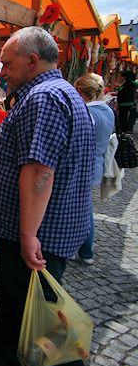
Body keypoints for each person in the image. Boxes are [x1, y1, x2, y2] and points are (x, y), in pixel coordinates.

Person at [0, 27, 95, 366]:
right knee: (14, 293)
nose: (2, 71)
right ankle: (2, 353)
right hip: (42, 227)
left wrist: (27, 234)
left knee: (44, 319)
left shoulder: (45, 98)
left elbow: (39, 171)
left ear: (31, 61)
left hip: (41, 232)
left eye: (6, 63)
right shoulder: (56, 93)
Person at [74, 73, 114, 265]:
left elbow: (79, 142)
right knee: (85, 207)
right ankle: (85, 250)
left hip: (84, 167)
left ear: (80, 91)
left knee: (82, 209)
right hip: (96, 165)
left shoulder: (87, 113)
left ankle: (85, 251)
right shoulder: (107, 111)